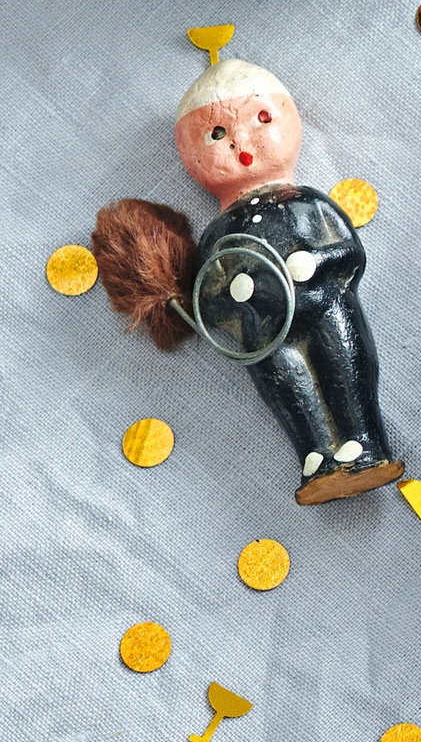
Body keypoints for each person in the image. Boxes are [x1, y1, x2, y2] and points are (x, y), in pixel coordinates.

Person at [93, 40, 403, 504]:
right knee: (288, 390)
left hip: (326, 312)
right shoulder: (219, 234)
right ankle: (316, 459)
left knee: (346, 370)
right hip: (265, 337)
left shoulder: (307, 203)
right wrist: (230, 298)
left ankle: (368, 446)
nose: (240, 143)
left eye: (261, 120)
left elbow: (351, 255)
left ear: (288, 120)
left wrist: (315, 262)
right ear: (188, 153)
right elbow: (211, 305)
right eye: (216, 134)